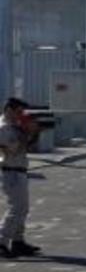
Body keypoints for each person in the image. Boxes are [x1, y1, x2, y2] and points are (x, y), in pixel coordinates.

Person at [0, 98, 41, 258]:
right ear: (9, 109)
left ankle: (18, 241)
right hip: (10, 171)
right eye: (18, 112)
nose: (21, 115)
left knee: (23, 208)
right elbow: (13, 150)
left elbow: (28, 147)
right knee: (16, 208)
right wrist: (26, 131)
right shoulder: (3, 128)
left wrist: (33, 133)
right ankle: (2, 240)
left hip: (20, 170)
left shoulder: (14, 126)